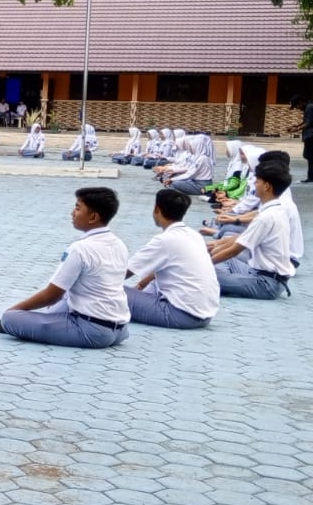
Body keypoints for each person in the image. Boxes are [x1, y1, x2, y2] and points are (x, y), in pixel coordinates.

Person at [0, 187, 129, 348]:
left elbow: (52, 295)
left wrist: (13, 311)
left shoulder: (80, 249)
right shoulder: (119, 244)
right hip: (120, 330)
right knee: (64, 301)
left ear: (93, 217)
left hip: (92, 332)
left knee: (11, 319)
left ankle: (16, 323)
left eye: (78, 208)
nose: (72, 213)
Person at [124, 189, 220, 329]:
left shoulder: (164, 240)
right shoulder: (194, 235)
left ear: (157, 209)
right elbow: (160, 266)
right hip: (204, 315)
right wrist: (140, 286)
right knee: (153, 284)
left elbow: (124, 273)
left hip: (180, 315)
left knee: (103, 292)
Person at [210, 162, 295, 299]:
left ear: (267, 186)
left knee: (203, 276)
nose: (254, 185)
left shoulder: (266, 217)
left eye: (257, 182)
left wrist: (204, 265)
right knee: (223, 263)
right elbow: (237, 242)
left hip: (265, 283)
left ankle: (218, 281)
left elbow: (234, 250)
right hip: (259, 273)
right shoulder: (276, 209)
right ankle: (224, 281)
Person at [291, 94, 313, 182]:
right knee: (309, 156)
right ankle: (311, 177)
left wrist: (297, 128)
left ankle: (311, 177)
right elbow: (305, 121)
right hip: (309, 136)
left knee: (310, 156)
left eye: (296, 106)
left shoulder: (310, 108)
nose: (297, 108)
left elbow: (309, 123)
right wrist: (296, 126)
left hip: (311, 136)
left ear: (301, 102)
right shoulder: (308, 107)